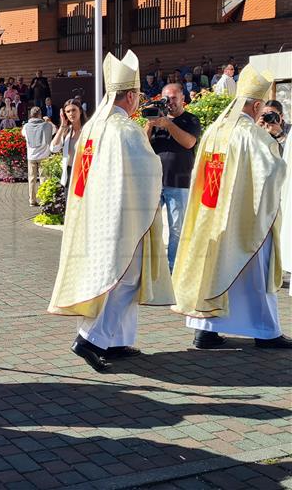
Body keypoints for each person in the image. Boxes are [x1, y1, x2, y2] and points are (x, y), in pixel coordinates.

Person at [48, 51, 174, 372]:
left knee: (114, 279)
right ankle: (91, 339)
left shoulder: (94, 126)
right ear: (131, 96)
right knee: (126, 279)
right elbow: (147, 170)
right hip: (122, 215)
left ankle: (116, 341)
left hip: (95, 213)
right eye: (138, 97)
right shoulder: (126, 129)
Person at [172, 65, 291, 349]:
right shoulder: (252, 134)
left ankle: (206, 330)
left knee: (213, 269)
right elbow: (272, 174)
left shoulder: (216, 129)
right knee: (254, 272)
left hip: (210, 214)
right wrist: (276, 140)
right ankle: (266, 332)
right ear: (259, 105)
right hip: (242, 218)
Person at [145, 83, 201, 271]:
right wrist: (149, 124)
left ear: (183, 99)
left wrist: (168, 124)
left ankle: (173, 268)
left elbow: (189, 142)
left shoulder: (190, 120)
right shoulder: (156, 121)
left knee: (177, 229)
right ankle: (152, 266)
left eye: (173, 98)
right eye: (165, 98)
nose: (169, 102)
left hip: (179, 182)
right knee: (150, 225)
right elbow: (143, 147)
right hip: (154, 182)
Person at [50, 99, 87, 192]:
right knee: (69, 206)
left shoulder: (88, 130)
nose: (71, 113)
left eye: (74, 110)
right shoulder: (67, 131)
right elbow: (53, 148)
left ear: (80, 111)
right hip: (69, 173)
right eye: (68, 111)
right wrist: (62, 126)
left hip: (84, 173)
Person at [22, 107, 55, 207]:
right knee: (44, 178)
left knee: (31, 178)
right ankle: (44, 200)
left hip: (31, 156)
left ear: (31, 115)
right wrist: (49, 121)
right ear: (40, 114)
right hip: (43, 155)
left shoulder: (26, 126)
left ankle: (32, 200)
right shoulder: (47, 125)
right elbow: (55, 130)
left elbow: (23, 135)